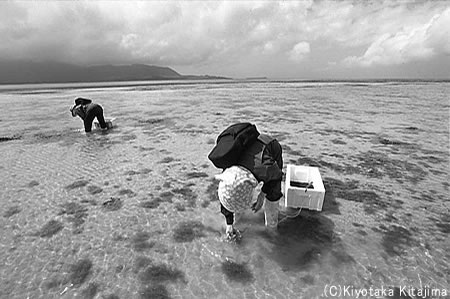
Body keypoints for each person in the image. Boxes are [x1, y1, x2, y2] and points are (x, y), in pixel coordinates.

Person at [215, 130, 288, 240]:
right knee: (233, 196)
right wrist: (229, 224)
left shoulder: (266, 167)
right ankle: (234, 221)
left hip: (270, 147)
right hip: (246, 156)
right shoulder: (228, 172)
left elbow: (277, 176)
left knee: (273, 192)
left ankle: (271, 229)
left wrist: (262, 195)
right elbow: (226, 197)